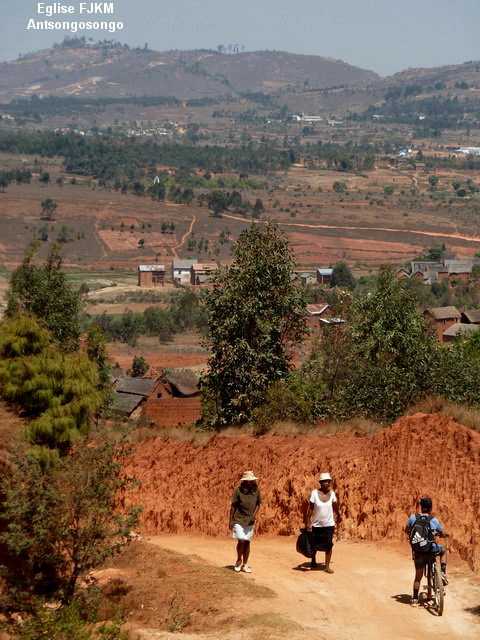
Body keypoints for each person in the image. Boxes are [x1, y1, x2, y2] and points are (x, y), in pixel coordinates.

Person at [405, 496, 448, 607]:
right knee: (443, 550)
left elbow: (407, 530)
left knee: (418, 576)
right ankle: (442, 573)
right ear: (430, 507)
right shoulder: (433, 520)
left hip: (418, 552)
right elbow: (442, 532)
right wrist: (443, 534)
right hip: (430, 550)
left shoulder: (413, 518)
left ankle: (414, 599)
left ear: (421, 506)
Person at [304, 472, 340, 574]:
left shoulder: (332, 494)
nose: (326, 484)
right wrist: (308, 523)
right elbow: (310, 509)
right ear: (320, 483)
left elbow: (335, 507)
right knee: (314, 544)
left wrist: (338, 516)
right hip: (316, 524)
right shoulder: (314, 493)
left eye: (328, 482)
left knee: (329, 545)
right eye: (324, 482)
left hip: (329, 525)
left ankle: (327, 566)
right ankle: (313, 561)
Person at [229, 470, 261, 573]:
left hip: (250, 521)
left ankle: (245, 564)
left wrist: (254, 515)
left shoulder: (256, 490)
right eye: (248, 480)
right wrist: (231, 520)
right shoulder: (238, 491)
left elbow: (258, 504)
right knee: (241, 540)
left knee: (247, 542)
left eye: (251, 480)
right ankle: (239, 560)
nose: (249, 482)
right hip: (239, 519)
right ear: (244, 481)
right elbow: (233, 506)